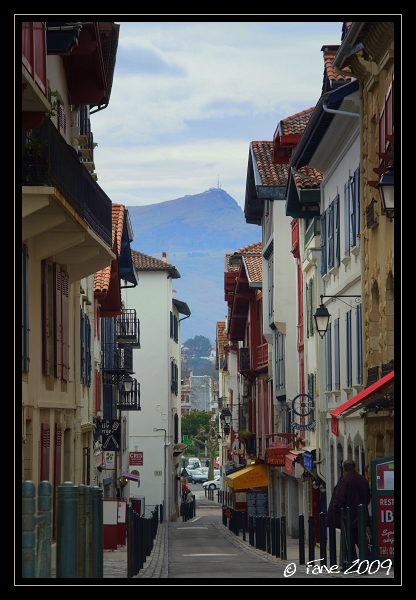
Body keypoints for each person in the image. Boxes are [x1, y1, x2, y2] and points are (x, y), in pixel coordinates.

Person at [327, 459, 372, 563]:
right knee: (360, 540)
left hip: (348, 517)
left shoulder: (345, 480)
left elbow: (339, 499)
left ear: (344, 469)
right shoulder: (362, 479)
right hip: (360, 516)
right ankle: (369, 559)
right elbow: (368, 497)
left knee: (350, 541)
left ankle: (354, 563)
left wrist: (338, 514)